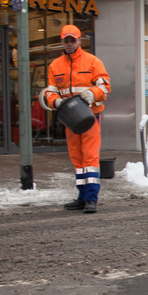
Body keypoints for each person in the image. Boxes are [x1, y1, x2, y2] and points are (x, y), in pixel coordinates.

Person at [42, 24, 110, 214]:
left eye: (73, 40)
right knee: (77, 159)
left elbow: (105, 86)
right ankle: (82, 197)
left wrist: (92, 94)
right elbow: (50, 91)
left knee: (89, 157)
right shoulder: (55, 65)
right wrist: (54, 102)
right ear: (62, 41)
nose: (70, 43)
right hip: (70, 118)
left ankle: (91, 199)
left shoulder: (92, 62)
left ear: (80, 41)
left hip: (90, 116)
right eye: (66, 40)